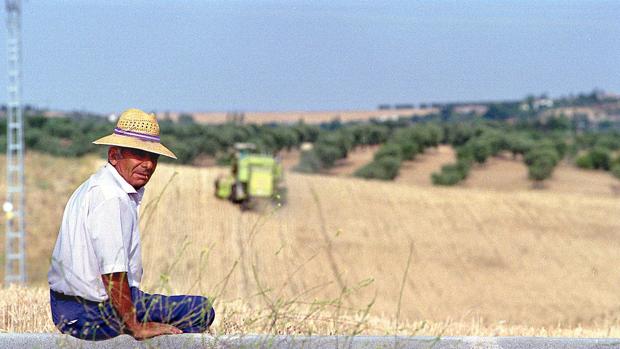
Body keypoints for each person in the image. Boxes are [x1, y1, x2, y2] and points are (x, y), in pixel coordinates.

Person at [48, 109, 215, 341]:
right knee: (201, 310)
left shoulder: (98, 185)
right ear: (114, 156)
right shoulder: (111, 197)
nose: (147, 164)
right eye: (138, 154)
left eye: (153, 157)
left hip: (70, 308)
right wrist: (135, 326)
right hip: (91, 312)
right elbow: (113, 274)